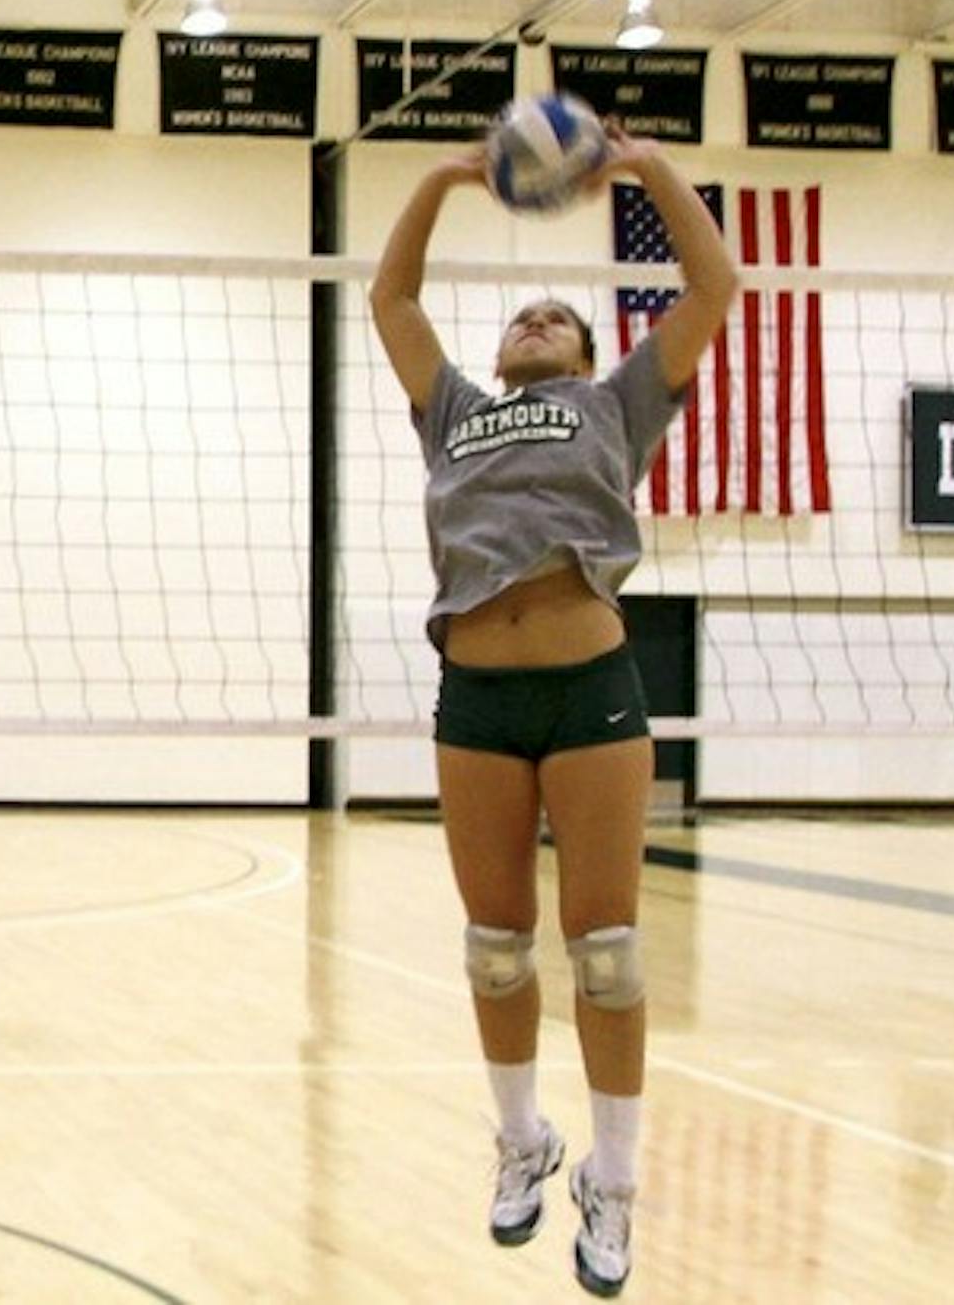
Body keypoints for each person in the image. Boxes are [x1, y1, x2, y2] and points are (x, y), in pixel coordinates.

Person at [370, 124, 735, 1299]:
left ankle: (612, 1179)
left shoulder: (614, 403)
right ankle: (521, 1139)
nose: (533, 321)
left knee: (607, 951)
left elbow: (714, 285)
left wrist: (644, 169)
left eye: (554, 318)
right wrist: (440, 178)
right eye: (519, 317)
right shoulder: (454, 410)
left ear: (584, 350)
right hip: (475, 694)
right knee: (492, 946)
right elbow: (390, 299)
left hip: (589, 689)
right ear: (496, 352)